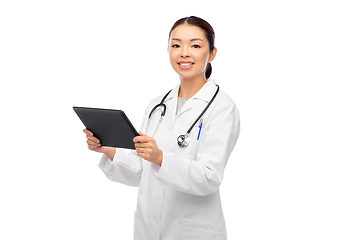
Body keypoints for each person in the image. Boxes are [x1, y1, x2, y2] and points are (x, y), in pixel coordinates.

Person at [84, 16, 240, 240]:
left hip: (193, 232)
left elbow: (209, 177)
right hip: (149, 228)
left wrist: (160, 158)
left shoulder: (223, 107)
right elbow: (142, 170)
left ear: (212, 53)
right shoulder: (157, 105)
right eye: (176, 45)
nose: (184, 53)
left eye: (195, 45)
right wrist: (109, 149)